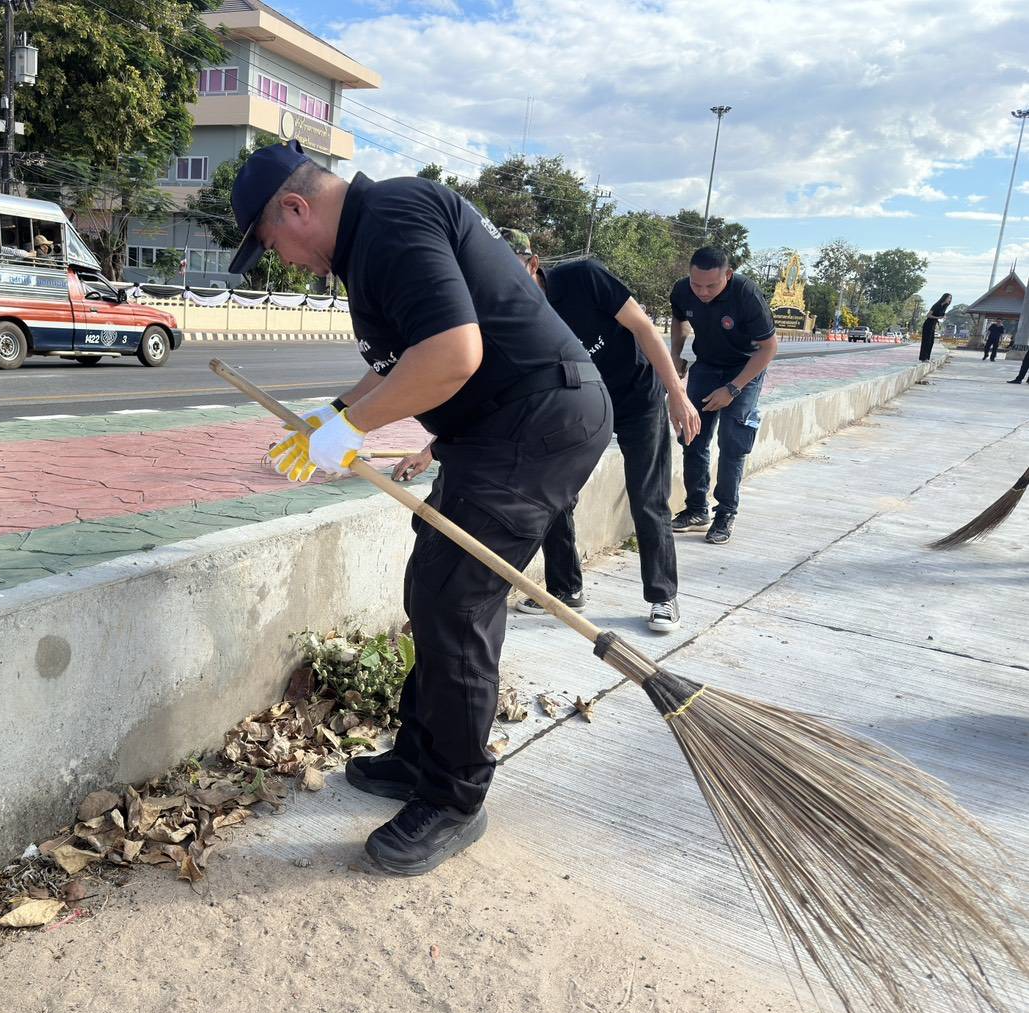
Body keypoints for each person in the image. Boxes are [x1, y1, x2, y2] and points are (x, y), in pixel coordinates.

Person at [234, 140, 612, 875]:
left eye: (271, 242)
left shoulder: (393, 217)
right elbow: (404, 362)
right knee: (434, 589)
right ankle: (419, 755)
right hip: (501, 426)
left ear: (295, 207)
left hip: (535, 422)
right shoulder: (376, 236)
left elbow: (451, 355)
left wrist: (351, 429)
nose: (281, 259)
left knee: (455, 601)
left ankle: (453, 796)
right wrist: (335, 413)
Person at [398, 250, 701, 633]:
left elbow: (642, 327)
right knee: (551, 496)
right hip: (578, 409)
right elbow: (488, 394)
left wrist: (677, 392)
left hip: (636, 399)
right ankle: (565, 588)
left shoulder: (584, 279)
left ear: (533, 263)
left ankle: (662, 595)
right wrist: (431, 449)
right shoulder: (504, 315)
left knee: (647, 497)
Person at [668, 246, 779, 545]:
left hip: (745, 369)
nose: (703, 292)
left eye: (711, 285)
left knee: (732, 441)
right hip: (706, 367)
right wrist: (675, 355)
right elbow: (679, 321)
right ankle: (696, 509)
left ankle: (725, 513)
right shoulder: (682, 290)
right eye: (697, 284)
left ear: (728, 276)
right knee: (692, 436)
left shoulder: (746, 294)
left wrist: (732, 389)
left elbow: (769, 348)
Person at [919, 293, 949, 362]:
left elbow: (942, 316)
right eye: (949, 298)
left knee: (931, 342)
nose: (949, 300)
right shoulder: (937, 305)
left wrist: (943, 317)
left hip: (933, 325)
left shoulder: (944, 307)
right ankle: (923, 358)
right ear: (944, 298)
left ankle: (927, 358)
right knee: (926, 341)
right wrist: (938, 317)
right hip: (928, 324)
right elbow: (928, 315)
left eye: (950, 298)